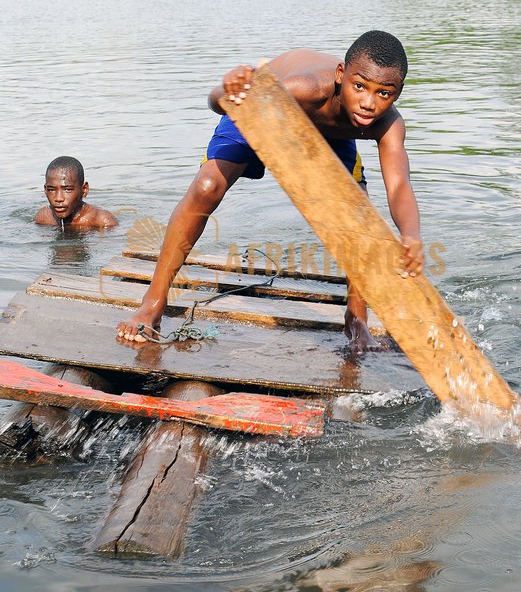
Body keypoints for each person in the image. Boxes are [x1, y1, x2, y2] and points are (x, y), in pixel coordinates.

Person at [117, 31, 423, 352]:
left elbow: (400, 184)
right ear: (340, 75)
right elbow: (217, 103)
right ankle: (153, 301)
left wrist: (411, 234)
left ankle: (356, 320)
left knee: (360, 214)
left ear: (398, 93)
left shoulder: (387, 124)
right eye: (359, 86)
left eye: (384, 93)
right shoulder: (307, 88)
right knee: (208, 186)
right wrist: (229, 86)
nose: (369, 102)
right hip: (265, 105)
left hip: (330, 129)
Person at [34, 156, 118, 229]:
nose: (58, 198)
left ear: (84, 189)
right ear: (45, 190)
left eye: (67, 190)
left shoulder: (102, 221)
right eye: (51, 190)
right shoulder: (43, 218)